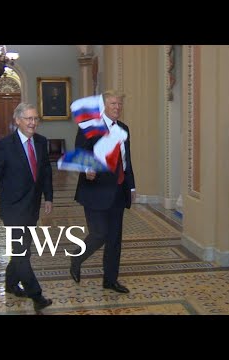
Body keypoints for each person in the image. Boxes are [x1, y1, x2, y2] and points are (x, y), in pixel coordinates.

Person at [0, 102, 53, 313]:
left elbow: (46, 172)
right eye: (29, 118)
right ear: (18, 121)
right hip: (12, 207)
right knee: (22, 253)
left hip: (32, 206)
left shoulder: (41, 142)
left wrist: (48, 197)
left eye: (35, 118)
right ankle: (36, 295)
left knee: (23, 251)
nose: (33, 123)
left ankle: (11, 284)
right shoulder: (4, 145)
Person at [70, 89, 136, 293]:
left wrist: (131, 186)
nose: (117, 108)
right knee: (99, 234)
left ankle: (110, 280)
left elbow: (126, 161)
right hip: (95, 190)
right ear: (103, 107)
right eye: (113, 104)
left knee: (115, 239)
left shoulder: (124, 128)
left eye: (119, 104)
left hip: (118, 189)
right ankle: (77, 257)